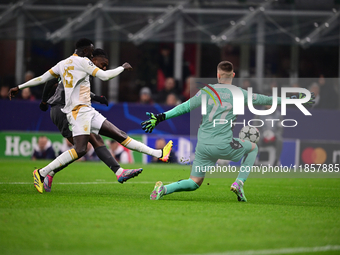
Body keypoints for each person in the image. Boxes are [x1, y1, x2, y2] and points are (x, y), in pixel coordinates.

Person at [9, 38, 173, 194]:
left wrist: (19, 86)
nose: (92, 55)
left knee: (119, 135)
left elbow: (42, 78)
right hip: (78, 112)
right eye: (91, 51)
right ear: (86, 50)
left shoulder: (63, 63)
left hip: (88, 111)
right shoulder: (83, 61)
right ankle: (42, 172)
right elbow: (105, 76)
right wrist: (122, 67)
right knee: (80, 149)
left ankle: (159, 154)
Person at [141, 61, 315, 202]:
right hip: (224, 145)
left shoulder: (206, 91)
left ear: (218, 75)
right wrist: (295, 100)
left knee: (194, 182)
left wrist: (160, 117)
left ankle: (163, 189)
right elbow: (268, 99)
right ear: (233, 75)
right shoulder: (239, 93)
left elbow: (184, 107)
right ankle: (239, 182)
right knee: (252, 148)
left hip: (202, 146)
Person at [37, 48, 134, 192]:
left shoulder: (76, 66)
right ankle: (46, 172)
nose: (102, 67)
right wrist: (44, 101)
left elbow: (75, 88)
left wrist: (97, 98)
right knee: (82, 147)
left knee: (91, 143)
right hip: (62, 109)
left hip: (65, 110)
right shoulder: (72, 65)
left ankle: (118, 171)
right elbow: (51, 81)